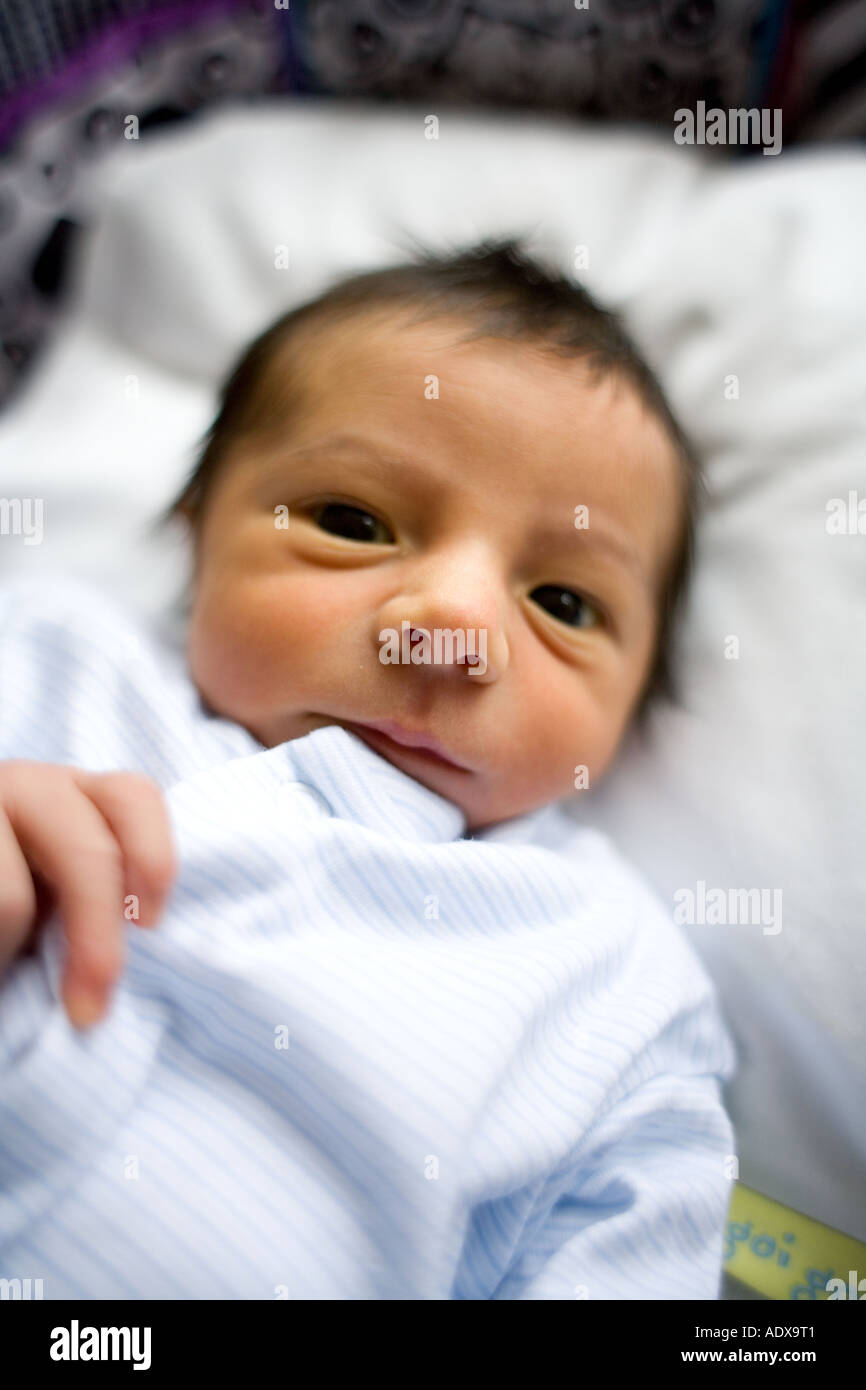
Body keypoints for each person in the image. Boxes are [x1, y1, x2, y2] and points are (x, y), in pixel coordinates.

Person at [0, 237, 735, 1299]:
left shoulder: (610, 983)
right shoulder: (52, 657)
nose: (450, 628)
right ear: (196, 533)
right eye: (352, 523)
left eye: (564, 604)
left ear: (630, 707)